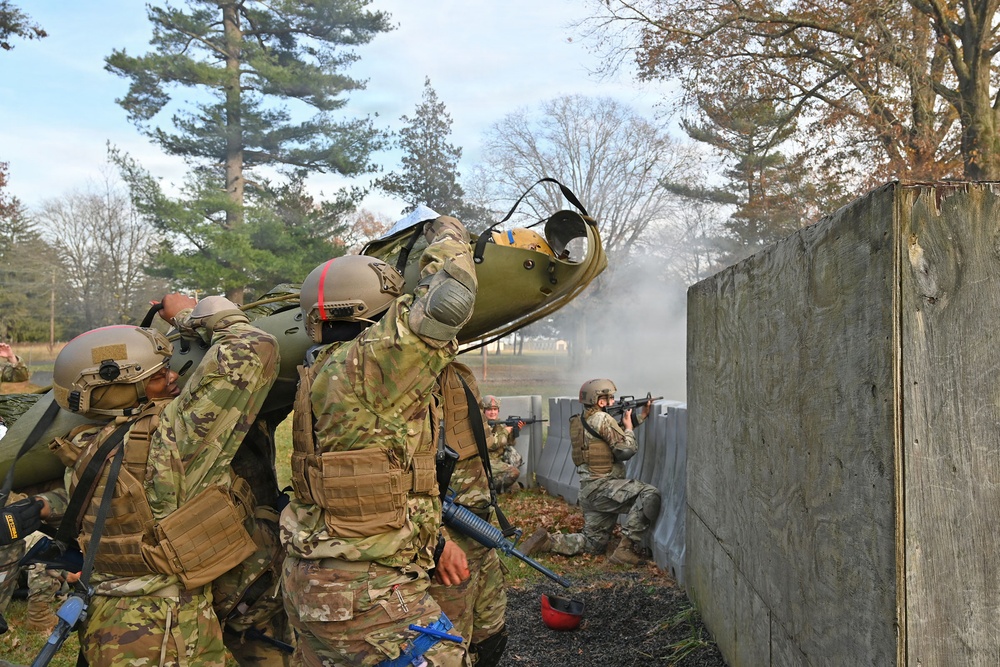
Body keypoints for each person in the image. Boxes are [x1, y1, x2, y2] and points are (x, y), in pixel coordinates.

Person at [281, 215, 478, 667]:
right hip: (365, 594)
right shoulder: (370, 365)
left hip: (318, 582)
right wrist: (448, 234)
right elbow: (450, 301)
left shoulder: (323, 370)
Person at [41, 293, 279, 666]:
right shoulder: (170, 442)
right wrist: (190, 314)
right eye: (155, 376)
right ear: (116, 389)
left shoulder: (81, 446)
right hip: (169, 631)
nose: (173, 377)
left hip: (108, 621)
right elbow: (254, 348)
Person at [520, 379, 660, 566]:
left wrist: (638, 417)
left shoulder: (580, 421)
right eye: (610, 398)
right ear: (600, 401)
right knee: (649, 494)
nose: (612, 401)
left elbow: (608, 435)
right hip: (605, 489)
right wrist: (628, 429)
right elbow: (626, 450)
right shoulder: (603, 419)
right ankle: (625, 550)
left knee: (593, 544)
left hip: (589, 492)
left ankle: (548, 542)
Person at [430, 364, 508, 667]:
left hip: (481, 536)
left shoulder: (455, 375)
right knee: (450, 643)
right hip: (449, 546)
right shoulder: (410, 382)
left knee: (491, 637)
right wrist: (439, 541)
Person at [481, 396, 523, 494]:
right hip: (485, 463)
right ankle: (486, 489)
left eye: (495, 409)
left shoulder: (498, 424)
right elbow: (492, 444)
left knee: (514, 488)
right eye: (489, 410)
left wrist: (513, 433)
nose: (492, 412)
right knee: (514, 473)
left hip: (497, 461)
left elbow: (509, 443)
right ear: (483, 411)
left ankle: (492, 487)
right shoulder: (481, 426)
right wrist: (505, 431)